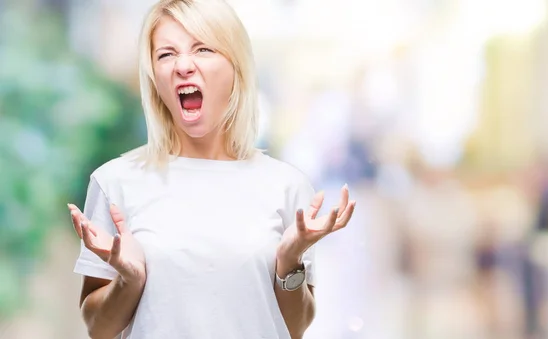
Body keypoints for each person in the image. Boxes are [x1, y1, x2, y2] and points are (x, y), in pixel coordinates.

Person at [67, 0, 356, 338]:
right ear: (155, 78)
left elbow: (295, 327)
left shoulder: (287, 186)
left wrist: (289, 260)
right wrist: (131, 279)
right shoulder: (114, 182)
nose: (183, 65)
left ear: (236, 66)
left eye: (202, 49)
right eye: (166, 54)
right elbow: (98, 329)